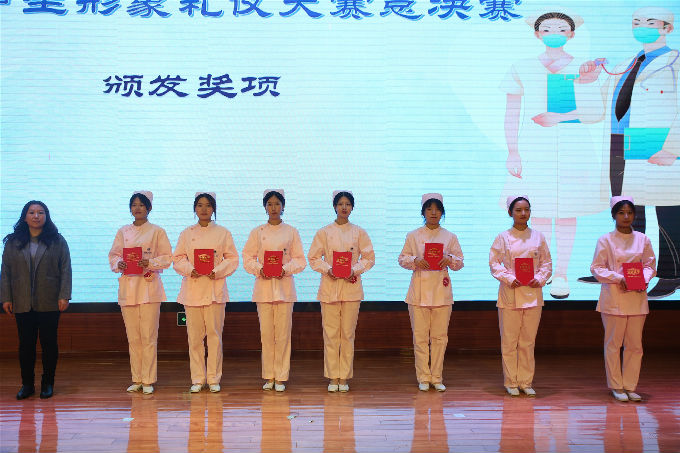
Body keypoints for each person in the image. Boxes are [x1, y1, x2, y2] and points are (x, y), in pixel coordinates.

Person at [501, 8, 605, 299]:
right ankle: (541, 269)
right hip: (535, 145)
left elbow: (595, 111)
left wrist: (559, 117)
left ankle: (561, 273)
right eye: (547, 29)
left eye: (561, 29)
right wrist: (513, 151)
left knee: (568, 211)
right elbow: (512, 112)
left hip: (574, 146)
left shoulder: (584, 67)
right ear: (537, 34)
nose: (554, 34)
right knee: (540, 211)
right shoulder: (522, 66)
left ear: (571, 34)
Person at [578, 6, 680, 299]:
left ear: (668, 28)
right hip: (619, 142)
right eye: (637, 22)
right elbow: (593, 112)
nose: (642, 27)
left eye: (650, 22)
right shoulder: (625, 64)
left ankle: (672, 274)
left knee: (668, 212)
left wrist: (672, 148)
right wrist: (586, 83)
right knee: (627, 211)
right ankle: (626, 270)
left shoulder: (676, 63)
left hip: (656, 143)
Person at [1, 201, 71, 400]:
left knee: (49, 344)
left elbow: (65, 269)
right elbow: (5, 271)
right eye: (31, 212)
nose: (36, 216)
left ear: (46, 216)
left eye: (41, 212)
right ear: (25, 217)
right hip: (21, 300)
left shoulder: (57, 240)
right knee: (26, 345)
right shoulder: (13, 241)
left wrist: (64, 295)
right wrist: (6, 297)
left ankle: (47, 383)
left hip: (50, 300)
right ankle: (27, 384)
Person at [590, 196, 656, 402]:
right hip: (614, 297)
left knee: (635, 345)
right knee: (613, 344)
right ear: (613, 215)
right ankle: (616, 386)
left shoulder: (643, 239)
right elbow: (596, 268)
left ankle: (630, 385)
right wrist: (619, 278)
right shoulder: (605, 240)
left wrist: (643, 279)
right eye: (621, 213)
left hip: (637, 297)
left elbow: (649, 266)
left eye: (629, 213)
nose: (626, 217)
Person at [308, 190, 375, 392]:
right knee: (330, 334)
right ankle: (332, 377)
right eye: (340, 204)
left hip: (351, 288)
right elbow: (313, 258)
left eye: (347, 204)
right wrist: (328, 269)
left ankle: (344, 377)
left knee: (347, 334)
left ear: (352, 207)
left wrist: (354, 270)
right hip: (329, 288)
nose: (344, 207)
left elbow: (369, 258)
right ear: (335, 207)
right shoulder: (323, 232)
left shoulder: (359, 232)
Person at [173, 192, 239, 393]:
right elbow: (178, 258)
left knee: (214, 336)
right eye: (200, 205)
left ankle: (213, 378)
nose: (204, 209)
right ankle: (197, 378)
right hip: (192, 290)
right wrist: (190, 269)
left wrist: (216, 271)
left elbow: (233, 259)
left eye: (208, 205)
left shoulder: (223, 233)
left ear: (214, 209)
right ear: (195, 208)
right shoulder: (186, 233)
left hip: (214, 290)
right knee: (194, 338)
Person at [108, 191, 172, 395]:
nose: (137, 208)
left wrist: (150, 262)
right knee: (133, 337)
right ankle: (136, 378)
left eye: (141, 205)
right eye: (134, 205)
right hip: (128, 289)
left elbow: (167, 258)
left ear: (149, 208)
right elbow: (114, 255)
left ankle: (148, 380)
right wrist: (119, 263)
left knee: (148, 336)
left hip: (148, 288)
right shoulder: (123, 231)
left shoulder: (157, 231)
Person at [398, 193, 464, 392]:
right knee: (420, 338)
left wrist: (449, 259)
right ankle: (423, 377)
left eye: (437, 209)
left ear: (442, 212)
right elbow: (402, 259)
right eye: (429, 209)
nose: (433, 213)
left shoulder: (450, 236)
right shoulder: (413, 235)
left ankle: (436, 377)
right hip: (418, 293)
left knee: (439, 337)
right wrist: (415, 260)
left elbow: (460, 262)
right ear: (423, 212)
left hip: (441, 292)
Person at [242, 189, 306, 392]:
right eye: (269, 204)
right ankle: (269, 376)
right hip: (263, 288)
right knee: (267, 335)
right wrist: (259, 269)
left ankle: (281, 377)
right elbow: (247, 258)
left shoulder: (291, 231)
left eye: (277, 204)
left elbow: (300, 260)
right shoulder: (257, 232)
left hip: (284, 289)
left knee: (283, 335)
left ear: (283, 206)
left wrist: (284, 269)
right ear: (265, 207)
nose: (273, 208)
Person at [489, 195, 552, 397]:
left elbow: (546, 263)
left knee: (527, 341)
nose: (523, 213)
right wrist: (508, 278)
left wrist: (540, 278)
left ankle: (525, 381)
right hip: (510, 293)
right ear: (510, 213)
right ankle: (511, 381)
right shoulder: (503, 237)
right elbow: (494, 263)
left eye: (526, 209)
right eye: (518, 210)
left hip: (533, 294)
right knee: (509, 341)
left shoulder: (538, 237)